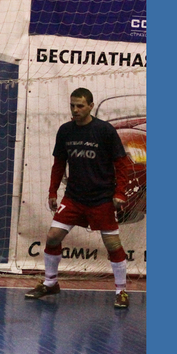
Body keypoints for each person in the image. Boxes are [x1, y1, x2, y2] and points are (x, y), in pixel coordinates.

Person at [25, 87, 133, 308]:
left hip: (101, 198)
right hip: (73, 197)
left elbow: (122, 164)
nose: (75, 110)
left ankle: (121, 291)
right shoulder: (65, 131)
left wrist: (120, 193)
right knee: (53, 237)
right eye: (72, 106)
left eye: (80, 106)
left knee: (113, 244)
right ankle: (50, 283)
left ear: (91, 106)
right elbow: (58, 164)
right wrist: (52, 191)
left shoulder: (104, 130)